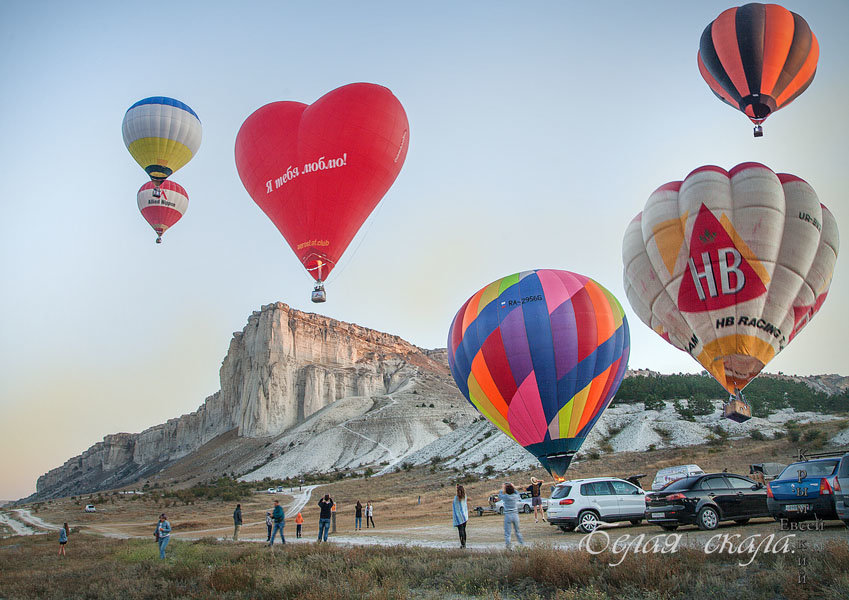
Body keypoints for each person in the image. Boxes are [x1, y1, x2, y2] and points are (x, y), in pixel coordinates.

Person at [499, 482, 524, 550]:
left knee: (507, 533)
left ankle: (508, 547)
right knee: (518, 531)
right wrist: (513, 487)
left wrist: (503, 488)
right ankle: (522, 545)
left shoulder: (506, 497)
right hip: (515, 515)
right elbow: (517, 493)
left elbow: (500, 495)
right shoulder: (515, 496)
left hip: (508, 515)